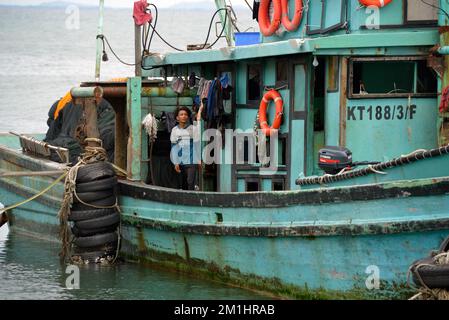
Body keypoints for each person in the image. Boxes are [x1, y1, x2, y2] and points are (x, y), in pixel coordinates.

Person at [170, 103, 203, 190]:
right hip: (180, 161)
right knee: (183, 184)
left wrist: (199, 159)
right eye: (181, 114)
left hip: (192, 160)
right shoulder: (175, 130)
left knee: (190, 182)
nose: (184, 116)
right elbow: (173, 147)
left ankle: (191, 200)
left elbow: (197, 144)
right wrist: (176, 162)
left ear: (188, 117)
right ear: (177, 118)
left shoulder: (192, 128)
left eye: (185, 114)